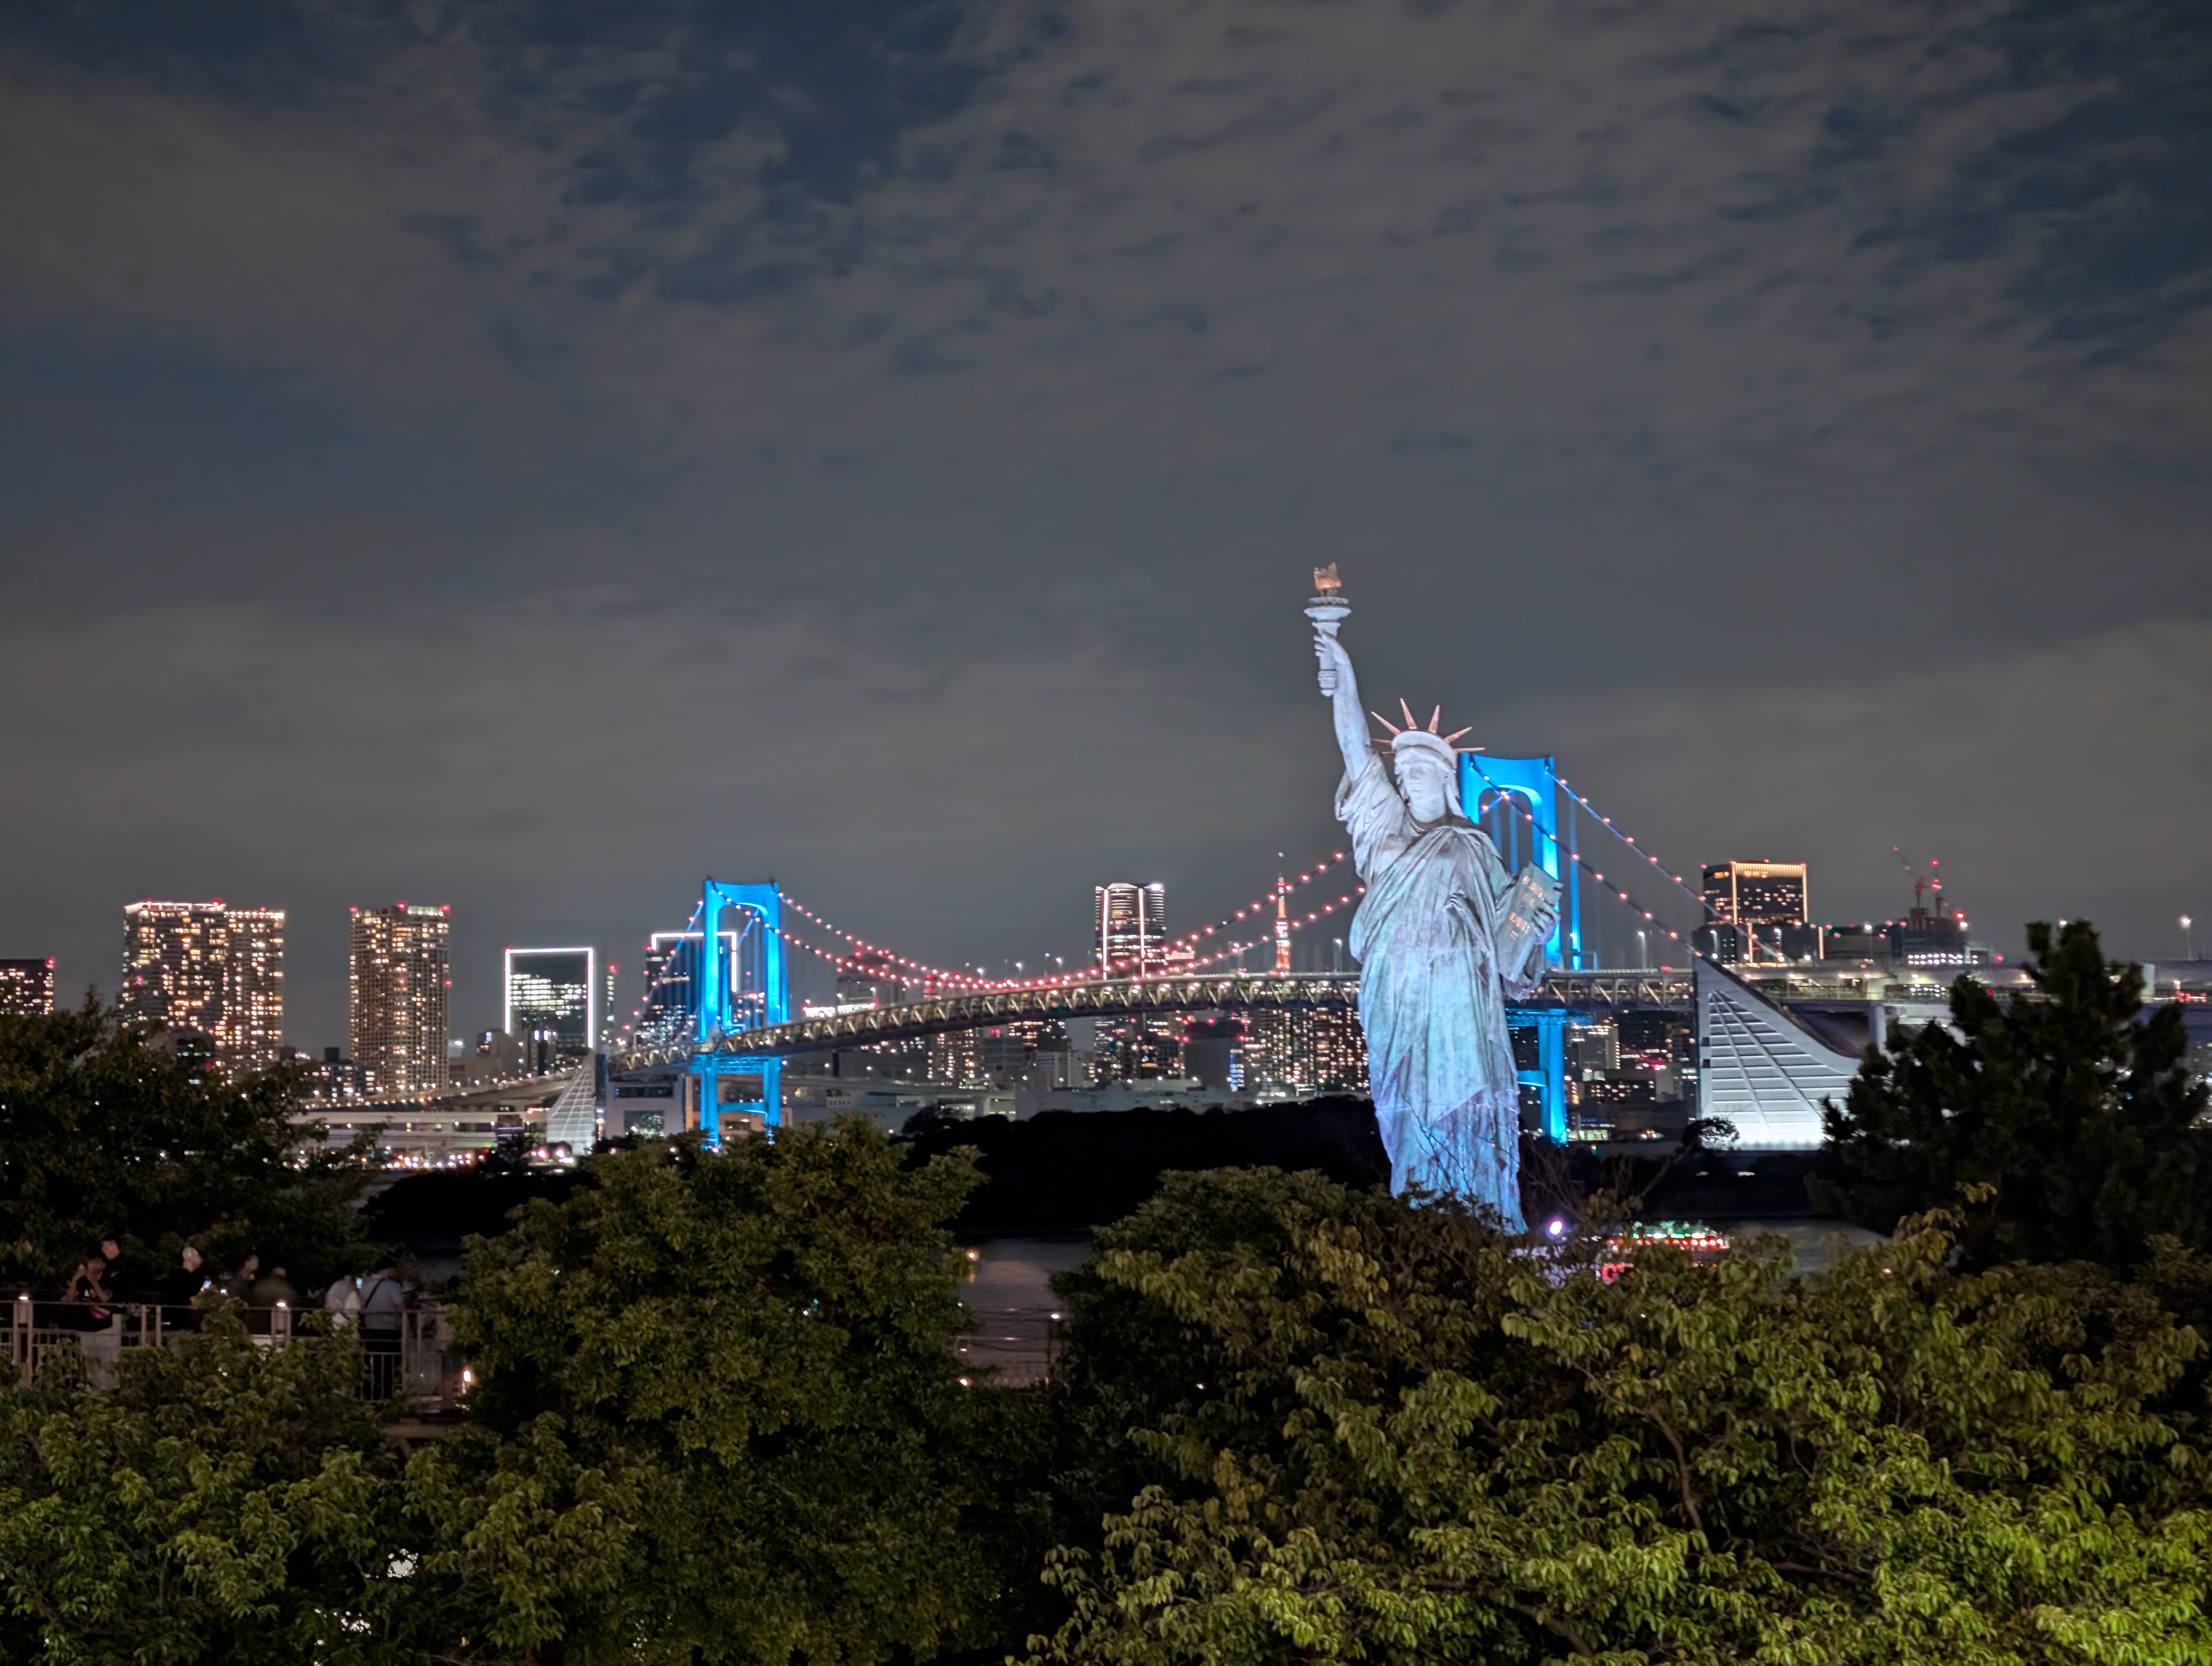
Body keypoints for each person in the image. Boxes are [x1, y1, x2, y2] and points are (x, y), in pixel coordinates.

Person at [1312, 625, 1557, 1230]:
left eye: (1417, 775)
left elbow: (1510, 942)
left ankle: (1481, 1221)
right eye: (1401, 775)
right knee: (1408, 1115)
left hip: (1460, 1004)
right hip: (1398, 997)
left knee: (1467, 1108)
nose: (1404, 782)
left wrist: (1536, 929)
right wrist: (1342, 675)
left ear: (1446, 779)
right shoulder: (1385, 832)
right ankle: (1424, 1221)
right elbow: (1354, 750)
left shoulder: (1472, 847)